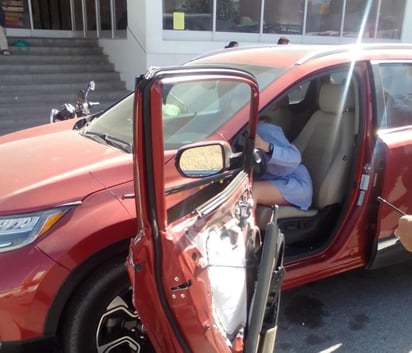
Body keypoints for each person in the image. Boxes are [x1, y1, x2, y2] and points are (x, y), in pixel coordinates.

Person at [253, 115, 312, 210]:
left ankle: (247, 224)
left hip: (294, 183)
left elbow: (295, 157)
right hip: (272, 179)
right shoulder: (239, 132)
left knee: (251, 190)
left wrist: (266, 146)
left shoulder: (265, 129)